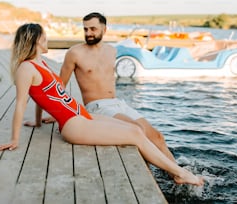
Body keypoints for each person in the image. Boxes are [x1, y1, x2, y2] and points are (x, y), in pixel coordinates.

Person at [0, 23, 203, 186]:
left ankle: (175, 171)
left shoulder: (42, 63)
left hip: (81, 115)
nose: (47, 39)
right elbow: (21, 103)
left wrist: (38, 121)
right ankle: (180, 174)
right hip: (72, 125)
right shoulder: (26, 69)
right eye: (44, 36)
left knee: (136, 129)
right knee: (134, 135)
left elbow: (41, 96)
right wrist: (14, 139)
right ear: (36, 40)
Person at [57, 12, 176, 163]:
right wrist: (58, 111)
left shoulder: (112, 51)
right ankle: (163, 170)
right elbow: (59, 86)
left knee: (158, 137)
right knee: (137, 129)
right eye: (85, 29)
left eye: (93, 29)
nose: (88, 33)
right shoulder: (75, 53)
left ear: (104, 29)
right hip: (97, 107)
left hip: (118, 103)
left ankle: (178, 175)